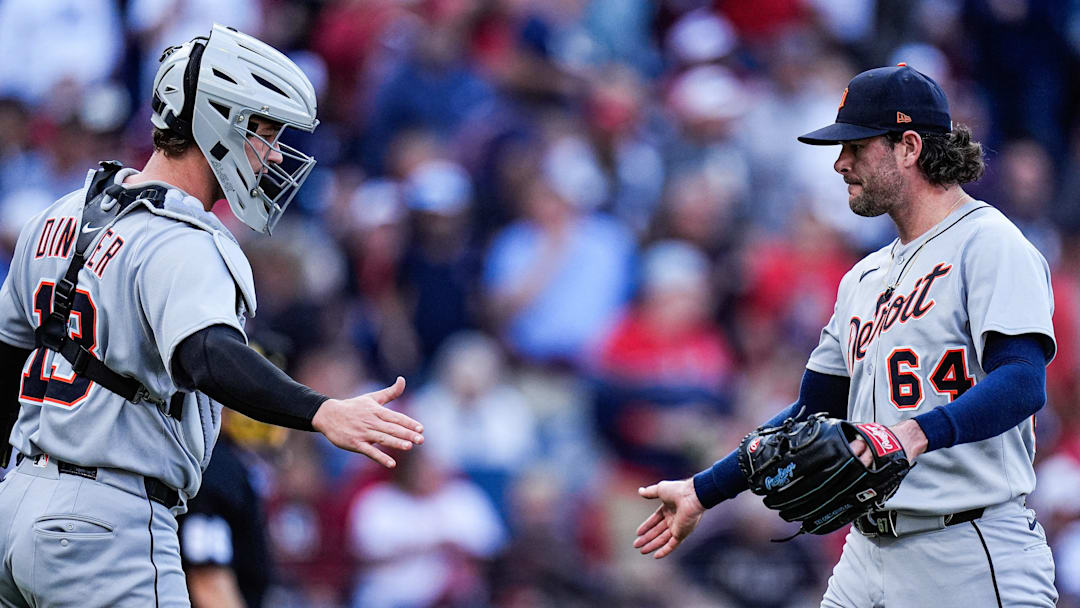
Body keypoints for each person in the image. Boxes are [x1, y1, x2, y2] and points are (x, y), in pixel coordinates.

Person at [0, 24, 424, 607]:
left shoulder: (58, 215)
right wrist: (321, 410)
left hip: (15, 504)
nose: (275, 154)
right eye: (265, 133)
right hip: (105, 522)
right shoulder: (185, 239)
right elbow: (207, 354)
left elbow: (9, 360)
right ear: (219, 122)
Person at [634, 64, 1058, 607]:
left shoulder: (990, 243)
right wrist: (704, 489)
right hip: (866, 551)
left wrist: (914, 433)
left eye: (856, 147)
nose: (840, 163)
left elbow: (1022, 381)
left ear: (909, 147)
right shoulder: (863, 277)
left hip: (968, 548)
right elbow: (811, 413)